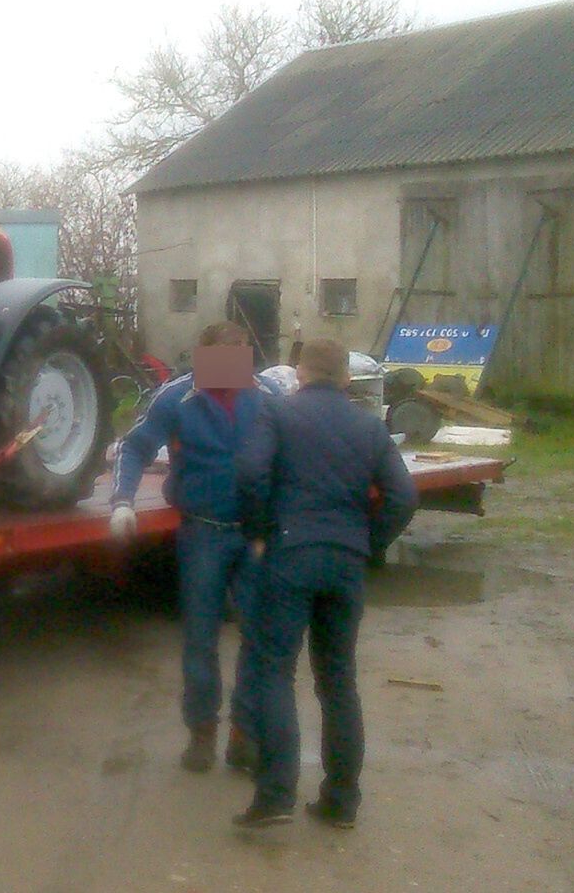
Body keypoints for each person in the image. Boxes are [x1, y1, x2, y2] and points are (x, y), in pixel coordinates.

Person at [231, 338, 419, 829]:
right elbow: (404, 495)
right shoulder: (369, 426)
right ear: (346, 379)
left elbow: (250, 472)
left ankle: (274, 796)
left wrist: (256, 533)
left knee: (275, 672)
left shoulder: (276, 414)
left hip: (289, 554)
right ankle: (340, 800)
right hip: (346, 563)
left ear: (298, 373)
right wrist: (368, 542)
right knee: (338, 681)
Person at [110, 321, 283, 772]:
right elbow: (134, 448)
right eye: (224, 356)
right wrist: (123, 502)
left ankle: (244, 734)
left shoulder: (268, 396)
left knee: (258, 638)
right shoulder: (176, 398)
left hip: (256, 536)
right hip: (202, 533)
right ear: (204, 356)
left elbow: (294, 452)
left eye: (241, 354)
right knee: (200, 638)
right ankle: (202, 733)